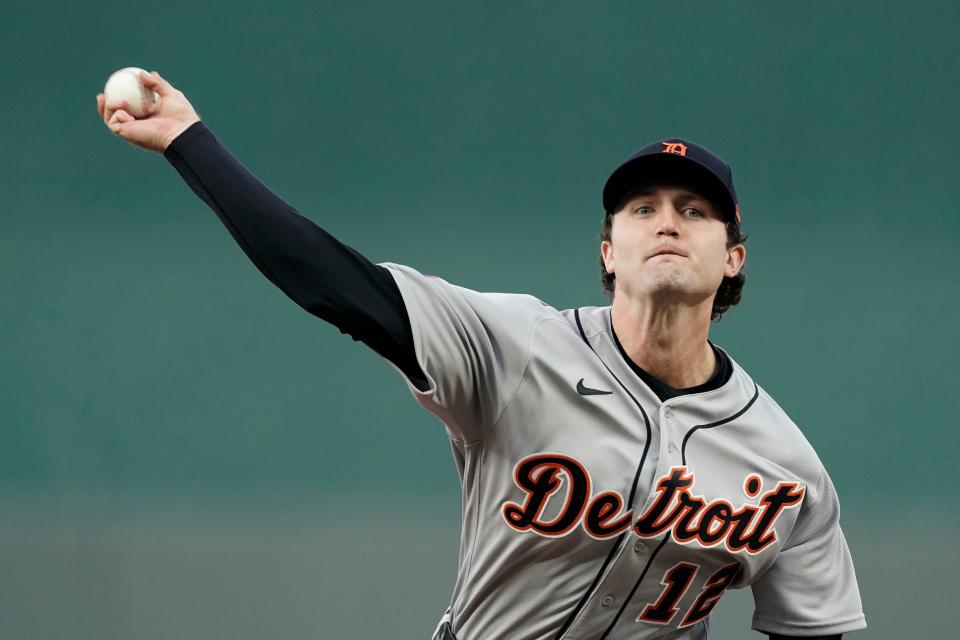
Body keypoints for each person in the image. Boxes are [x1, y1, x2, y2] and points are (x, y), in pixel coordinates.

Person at [97, 71, 866, 640]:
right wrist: (188, 142)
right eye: (643, 209)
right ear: (609, 250)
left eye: (694, 212)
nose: (667, 223)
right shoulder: (517, 348)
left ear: (733, 256)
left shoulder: (786, 466)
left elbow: (814, 630)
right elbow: (335, 283)